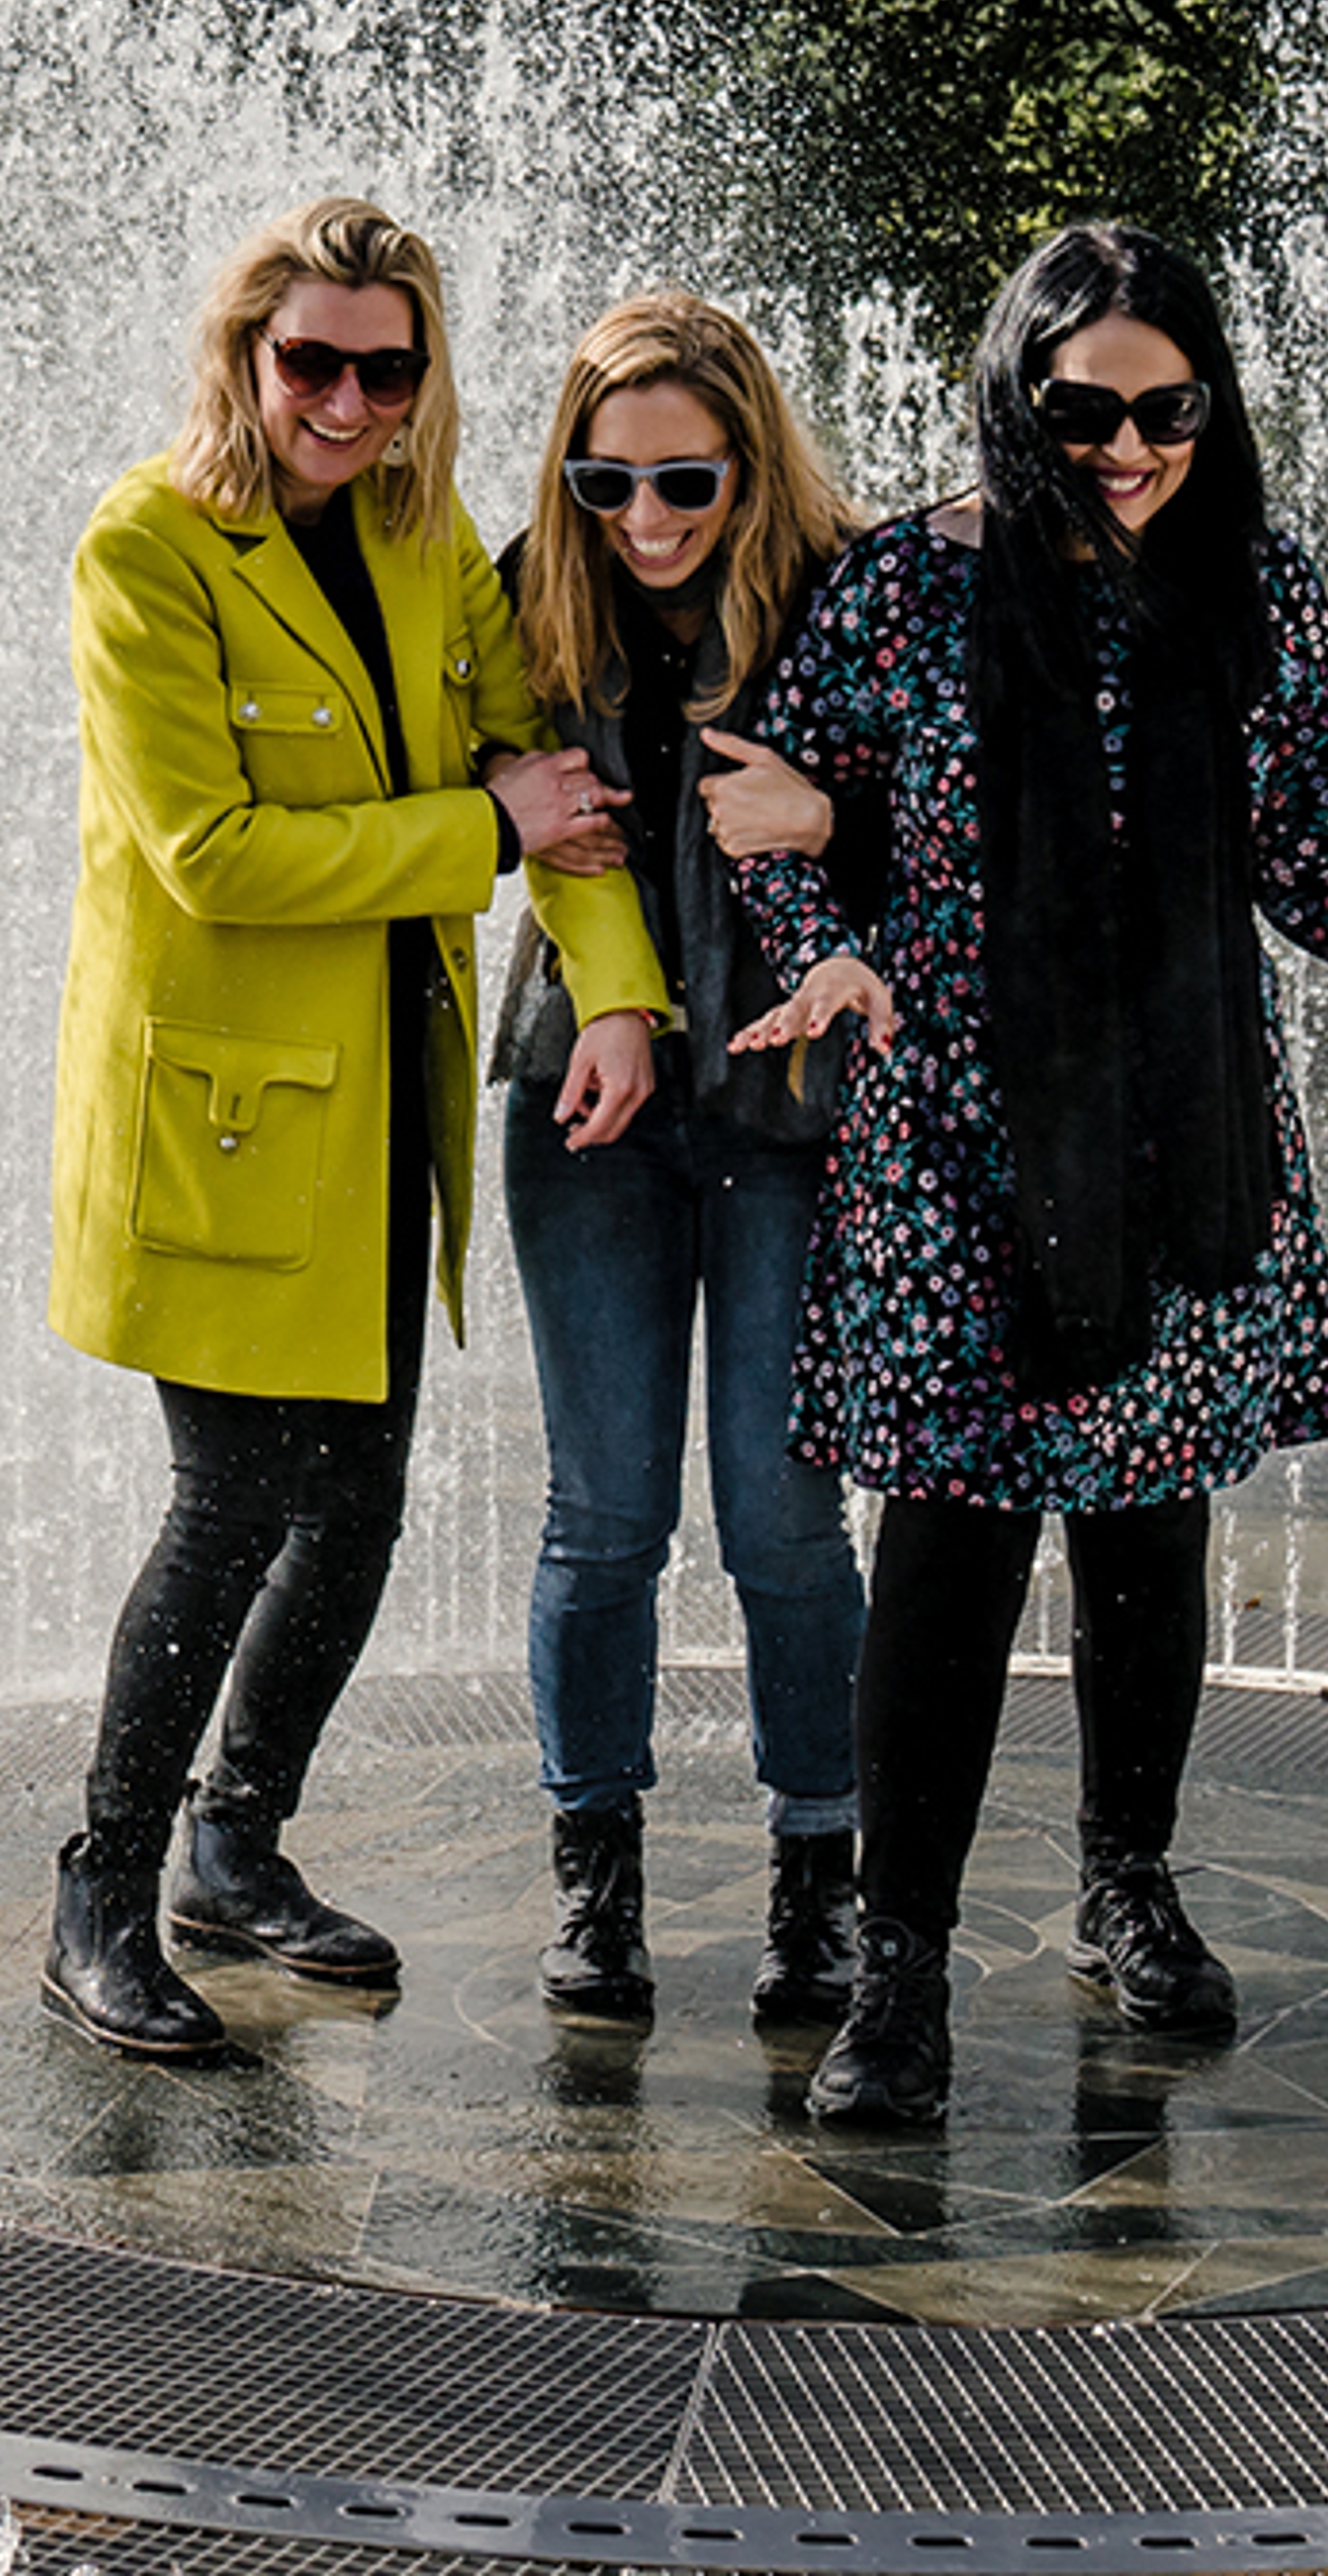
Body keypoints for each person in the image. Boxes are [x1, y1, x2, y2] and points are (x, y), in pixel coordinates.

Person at [728, 221, 1328, 2125]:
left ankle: (1127, 1885)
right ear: (1016, 393)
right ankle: (902, 1974)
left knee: (1149, 1530)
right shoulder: (900, 592)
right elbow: (773, 802)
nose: (1125, 444)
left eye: (1167, 407)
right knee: (945, 1549)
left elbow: (1312, 864)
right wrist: (816, 938)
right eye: (1081, 407)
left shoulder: (1254, 586)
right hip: (951, 1136)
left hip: (1184, 1126)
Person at [42, 195, 667, 2062]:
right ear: (245, 352)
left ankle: (236, 1847)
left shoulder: (419, 539)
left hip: (383, 1098)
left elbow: (550, 774)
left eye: (387, 368)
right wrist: (479, 828)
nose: (347, 400)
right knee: (232, 1502)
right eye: (311, 359)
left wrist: (619, 989)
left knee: (364, 1502)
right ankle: (100, 1889)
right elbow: (213, 855)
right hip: (218, 1124)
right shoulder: (146, 545)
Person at [491, 291, 874, 2029]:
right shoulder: (519, 593)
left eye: (683, 482)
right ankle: (598, 1867)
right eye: (604, 481)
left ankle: (820, 1876)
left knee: (784, 1516)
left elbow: (964, 805)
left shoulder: (850, 593)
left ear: (753, 458)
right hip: (594, 1098)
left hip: (798, 1110)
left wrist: (838, 821)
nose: (641, 520)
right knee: (607, 1510)